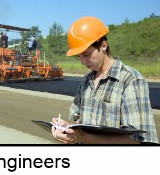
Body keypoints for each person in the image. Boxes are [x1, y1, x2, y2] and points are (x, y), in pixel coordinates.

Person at [51, 16, 158, 144]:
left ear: (103, 46)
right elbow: (81, 122)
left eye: (86, 54)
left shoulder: (130, 80)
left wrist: (81, 137)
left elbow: (138, 140)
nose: (82, 62)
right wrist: (68, 128)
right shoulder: (86, 81)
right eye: (79, 56)